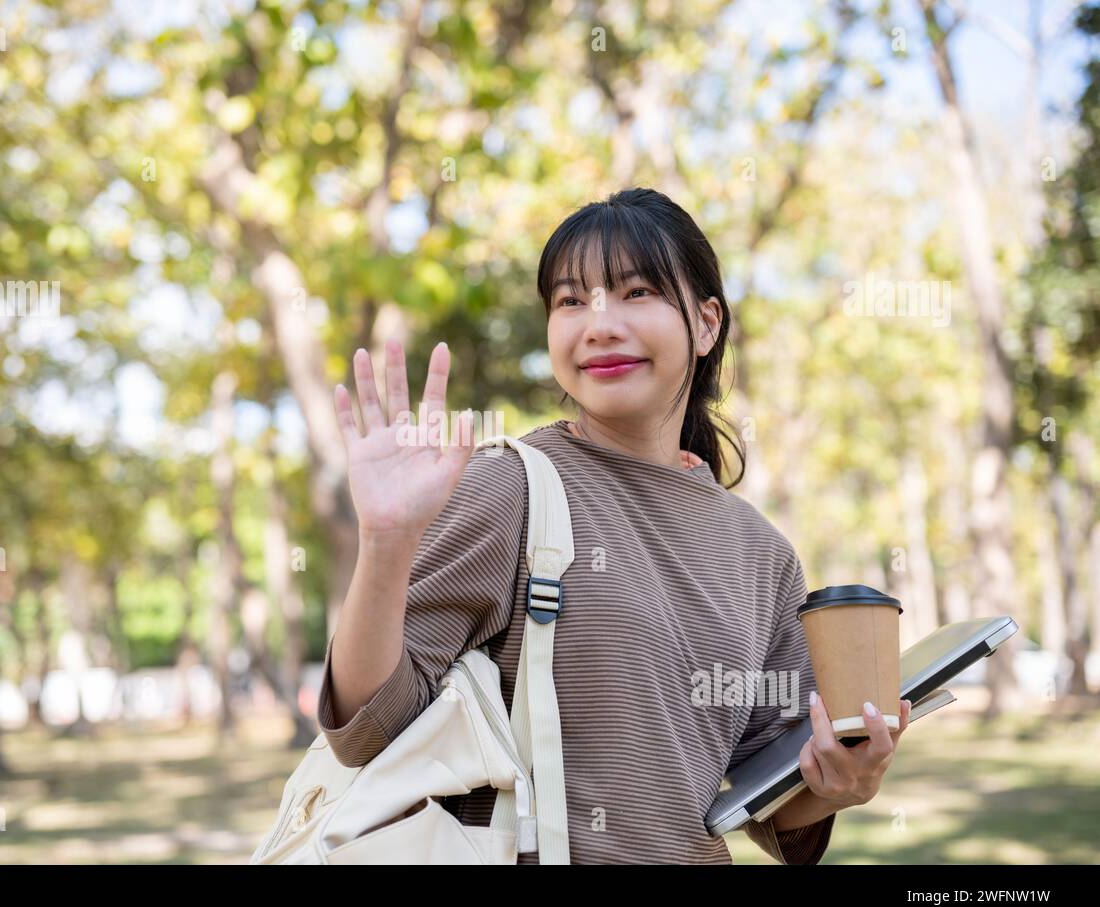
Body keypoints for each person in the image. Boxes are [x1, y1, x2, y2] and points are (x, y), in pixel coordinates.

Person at [321, 187, 911, 864]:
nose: (597, 325)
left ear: (707, 322)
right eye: (571, 301)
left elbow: (769, 798)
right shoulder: (510, 485)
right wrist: (386, 541)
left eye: (635, 292)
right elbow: (367, 728)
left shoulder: (762, 554)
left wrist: (843, 781)